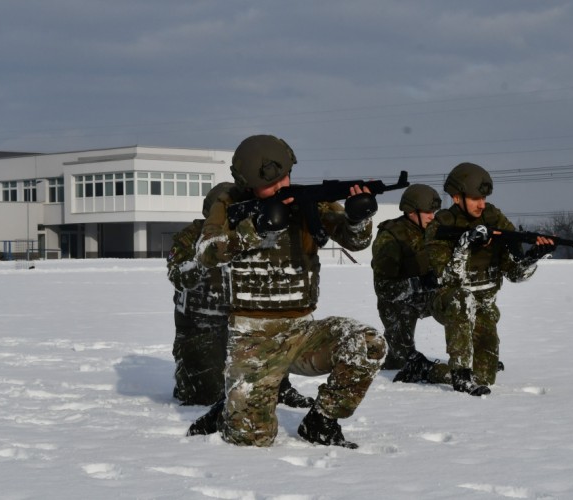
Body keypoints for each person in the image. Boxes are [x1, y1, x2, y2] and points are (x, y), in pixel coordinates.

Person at [190, 134, 386, 448]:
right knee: (252, 440)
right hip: (253, 338)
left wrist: (357, 218)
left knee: (368, 344)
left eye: (285, 177)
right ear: (248, 183)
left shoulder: (308, 200)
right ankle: (229, 410)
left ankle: (321, 421)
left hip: (302, 332)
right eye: (272, 183)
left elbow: (355, 242)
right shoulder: (228, 202)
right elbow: (206, 252)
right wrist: (255, 228)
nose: (282, 186)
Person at [395, 162, 555, 396]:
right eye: (475, 198)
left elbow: (514, 274)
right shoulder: (441, 225)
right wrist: (464, 246)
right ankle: (460, 374)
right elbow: (446, 277)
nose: (482, 204)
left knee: (485, 378)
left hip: (484, 304)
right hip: (447, 300)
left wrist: (532, 257)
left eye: (484, 198)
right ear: (457, 198)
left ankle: (426, 369)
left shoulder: (495, 219)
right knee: (462, 299)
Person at [167, 183, 313, 408]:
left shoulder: (251, 233)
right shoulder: (190, 236)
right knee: (208, 397)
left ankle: (279, 386)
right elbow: (179, 277)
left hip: (244, 322)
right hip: (202, 328)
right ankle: (190, 380)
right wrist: (209, 256)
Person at [371, 184, 444, 371]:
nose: (432, 216)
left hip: (427, 296)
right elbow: (384, 287)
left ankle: (472, 355)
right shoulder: (391, 235)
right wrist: (417, 283)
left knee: (460, 301)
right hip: (397, 303)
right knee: (401, 362)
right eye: (428, 212)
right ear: (411, 211)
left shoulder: (434, 231)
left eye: (434, 211)